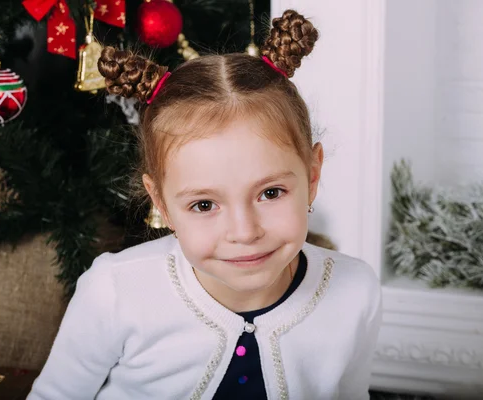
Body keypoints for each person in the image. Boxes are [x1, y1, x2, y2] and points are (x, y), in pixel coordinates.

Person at [27, 9, 382, 400]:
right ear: (160, 201)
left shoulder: (355, 290)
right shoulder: (115, 291)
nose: (245, 233)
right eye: (204, 205)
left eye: (270, 193)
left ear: (312, 177)